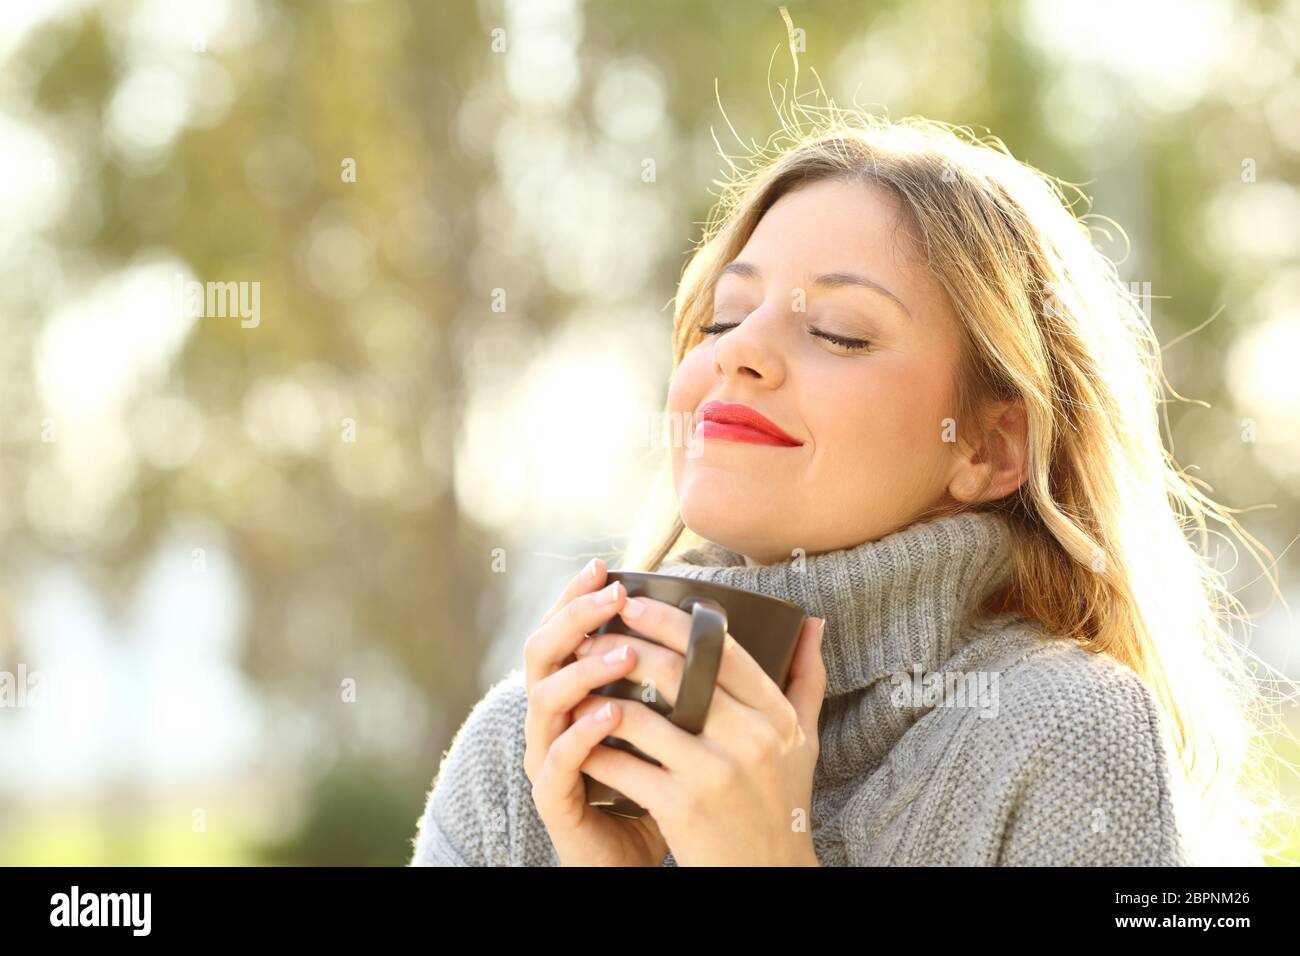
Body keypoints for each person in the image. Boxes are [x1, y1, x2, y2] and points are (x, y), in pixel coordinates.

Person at [409, 109, 1288, 867]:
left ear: (989, 446)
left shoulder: (1066, 732)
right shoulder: (529, 748)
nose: (735, 352)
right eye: (724, 316)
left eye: (838, 332)